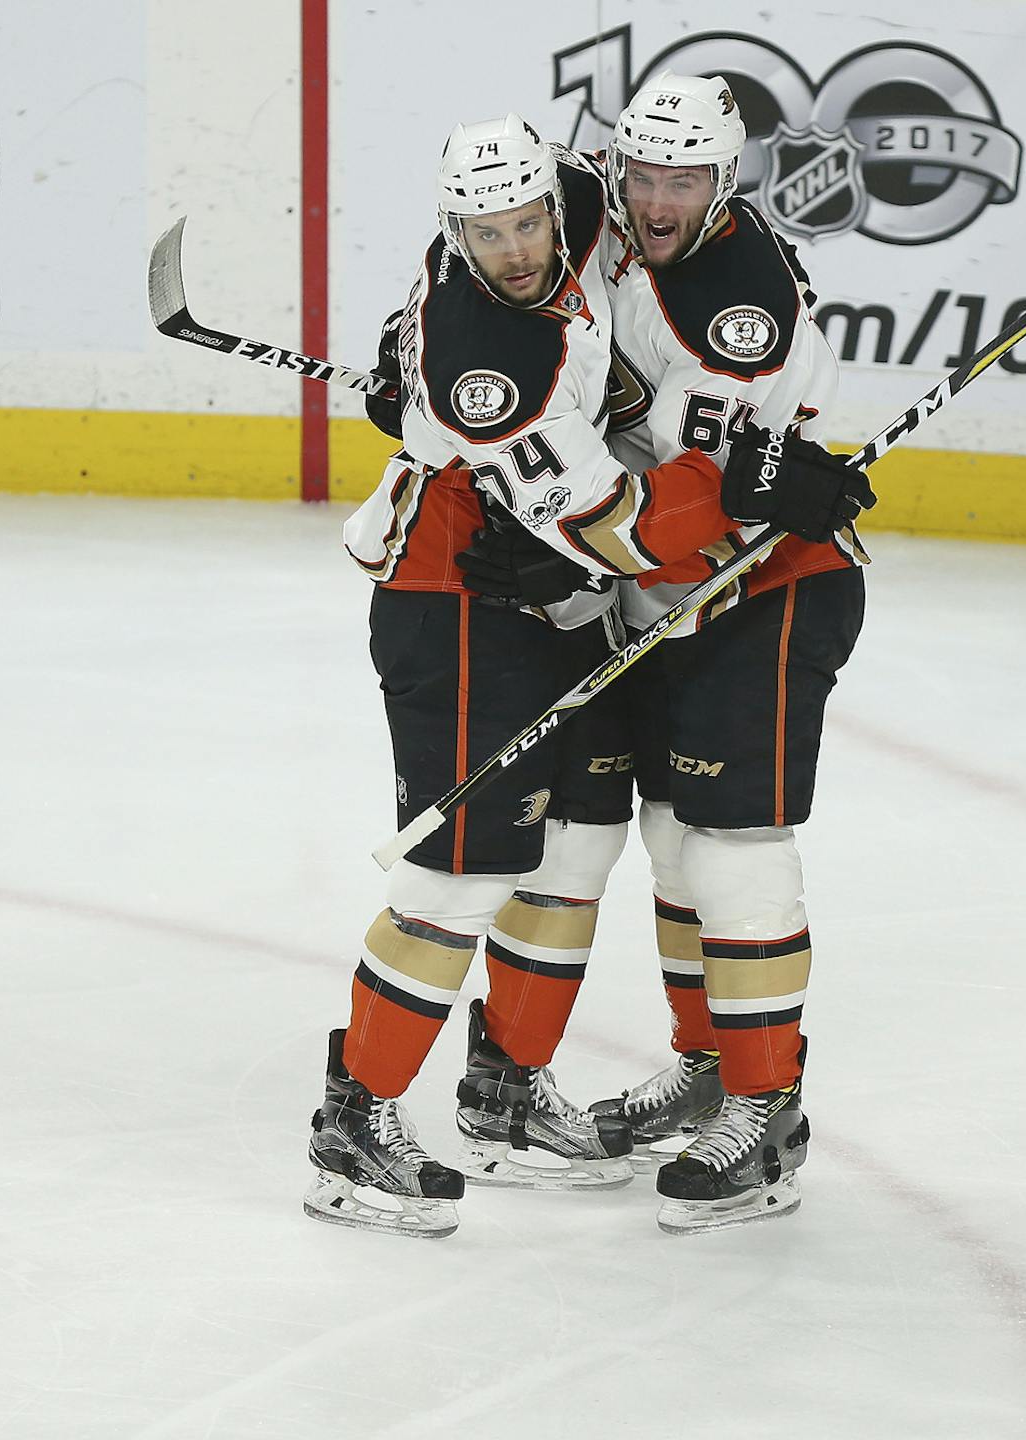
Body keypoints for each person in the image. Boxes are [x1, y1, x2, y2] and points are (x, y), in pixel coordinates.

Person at [310, 113, 863, 1238]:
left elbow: (649, 496)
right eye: (488, 233)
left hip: (670, 590)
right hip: (489, 582)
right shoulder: (498, 362)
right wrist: (742, 486)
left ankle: (631, 1097)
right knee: (473, 869)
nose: (518, 250)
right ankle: (358, 1119)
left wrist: (761, 479)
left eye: (527, 225)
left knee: (628, 839)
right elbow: (607, 520)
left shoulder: (602, 221)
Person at [568, 71, 873, 1233]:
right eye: (642, 172)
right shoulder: (595, 229)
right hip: (659, 593)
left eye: (682, 179)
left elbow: (717, 495)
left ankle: (766, 1111)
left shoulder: (741, 295)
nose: (656, 197)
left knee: (736, 850)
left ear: (725, 178)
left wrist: (752, 478)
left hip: (770, 586)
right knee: (674, 848)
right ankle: (706, 1064)